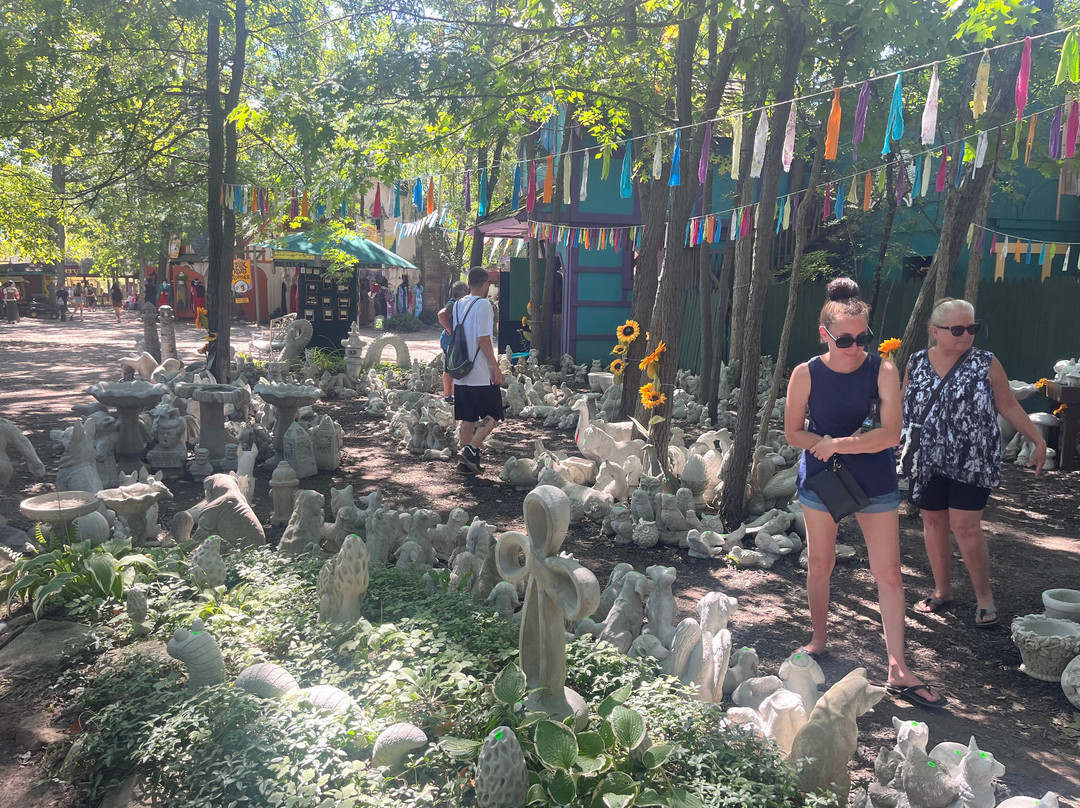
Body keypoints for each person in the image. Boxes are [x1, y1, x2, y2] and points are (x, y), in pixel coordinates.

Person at [784, 277, 945, 709]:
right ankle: (818, 639)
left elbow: (890, 435)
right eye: (847, 339)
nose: (857, 347)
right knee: (821, 562)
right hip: (824, 480)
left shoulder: (883, 369)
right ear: (826, 334)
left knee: (889, 573)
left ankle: (898, 666)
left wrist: (837, 442)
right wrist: (827, 445)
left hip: (874, 479)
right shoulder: (806, 373)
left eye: (864, 338)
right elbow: (792, 432)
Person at [903, 298, 1047, 628]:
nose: (966, 335)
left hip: (973, 460)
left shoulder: (986, 362)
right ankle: (942, 591)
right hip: (926, 459)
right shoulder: (916, 362)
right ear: (935, 332)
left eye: (972, 328)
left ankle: (984, 598)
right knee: (933, 522)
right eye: (958, 329)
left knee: (966, 526)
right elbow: (904, 405)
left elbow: (1008, 405)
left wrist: (1036, 439)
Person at [453, 267, 504, 475]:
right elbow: (484, 339)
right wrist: (495, 367)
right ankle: (471, 450)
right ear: (485, 284)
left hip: (460, 370)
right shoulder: (484, 305)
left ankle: (465, 464)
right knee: (493, 414)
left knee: (469, 417)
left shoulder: (457, 305)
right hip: (480, 371)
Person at [437, 281, 469, 403]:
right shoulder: (452, 304)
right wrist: (449, 329)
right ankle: (447, 395)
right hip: (449, 342)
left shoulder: (457, 304)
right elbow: (441, 315)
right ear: (463, 292)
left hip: (452, 341)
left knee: (454, 367)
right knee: (449, 369)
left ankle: (455, 394)